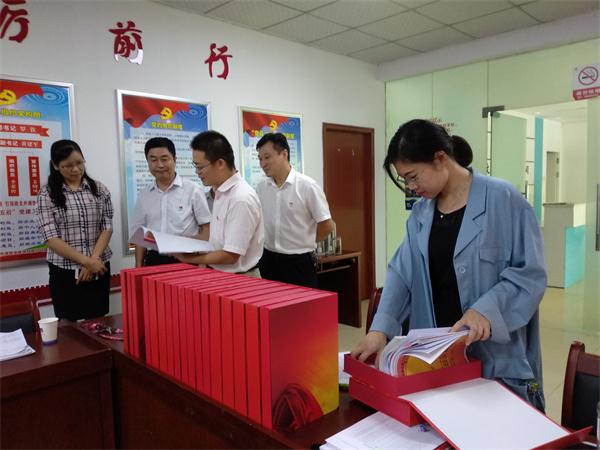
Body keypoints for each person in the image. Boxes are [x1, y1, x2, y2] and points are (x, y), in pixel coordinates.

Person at [351, 119, 547, 410]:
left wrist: (486, 309)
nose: (411, 187)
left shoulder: (504, 200)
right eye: (405, 180)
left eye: (413, 176)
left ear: (440, 158)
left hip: (494, 357)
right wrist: (380, 330)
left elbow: (530, 274)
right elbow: (401, 274)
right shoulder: (421, 214)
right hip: (437, 358)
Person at [36, 139, 114, 321]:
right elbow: (50, 237)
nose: (76, 169)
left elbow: (107, 227)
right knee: (67, 324)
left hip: (99, 266)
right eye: (68, 165)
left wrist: (93, 260)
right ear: (56, 166)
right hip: (64, 270)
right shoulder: (47, 194)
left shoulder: (99, 189)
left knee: (98, 321)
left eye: (79, 163)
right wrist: (86, 261)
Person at [175, 131, 264, 276]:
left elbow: (230, 255)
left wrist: (188, 259)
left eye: (200, 167)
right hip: (221, 275)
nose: (197, 172)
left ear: (220, 163)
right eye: (195, 166)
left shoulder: (241, 198)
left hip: (241, 279)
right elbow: (217, 240)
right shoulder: (219, 193)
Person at [255, 132, 334, 288]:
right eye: (260, 159)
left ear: (284, 154)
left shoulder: (307, 186)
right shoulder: (262, 188)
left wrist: (306, 242)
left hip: (298, 262)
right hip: (268, 259)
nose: (263, 163)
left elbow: (327, 225)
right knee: (271, 302)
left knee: (302, 303)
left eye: (267, 157)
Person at [130, 137, 211, 267]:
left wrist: (202, 262)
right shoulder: (144, 195)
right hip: (154, 259)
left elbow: (206, 228)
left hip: (187, 258)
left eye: (164, 159)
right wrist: (138, 267)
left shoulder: (193, 190)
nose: (160, 165)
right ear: (148, 162)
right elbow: (140, 236)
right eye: (153, 160)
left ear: (174, 159)